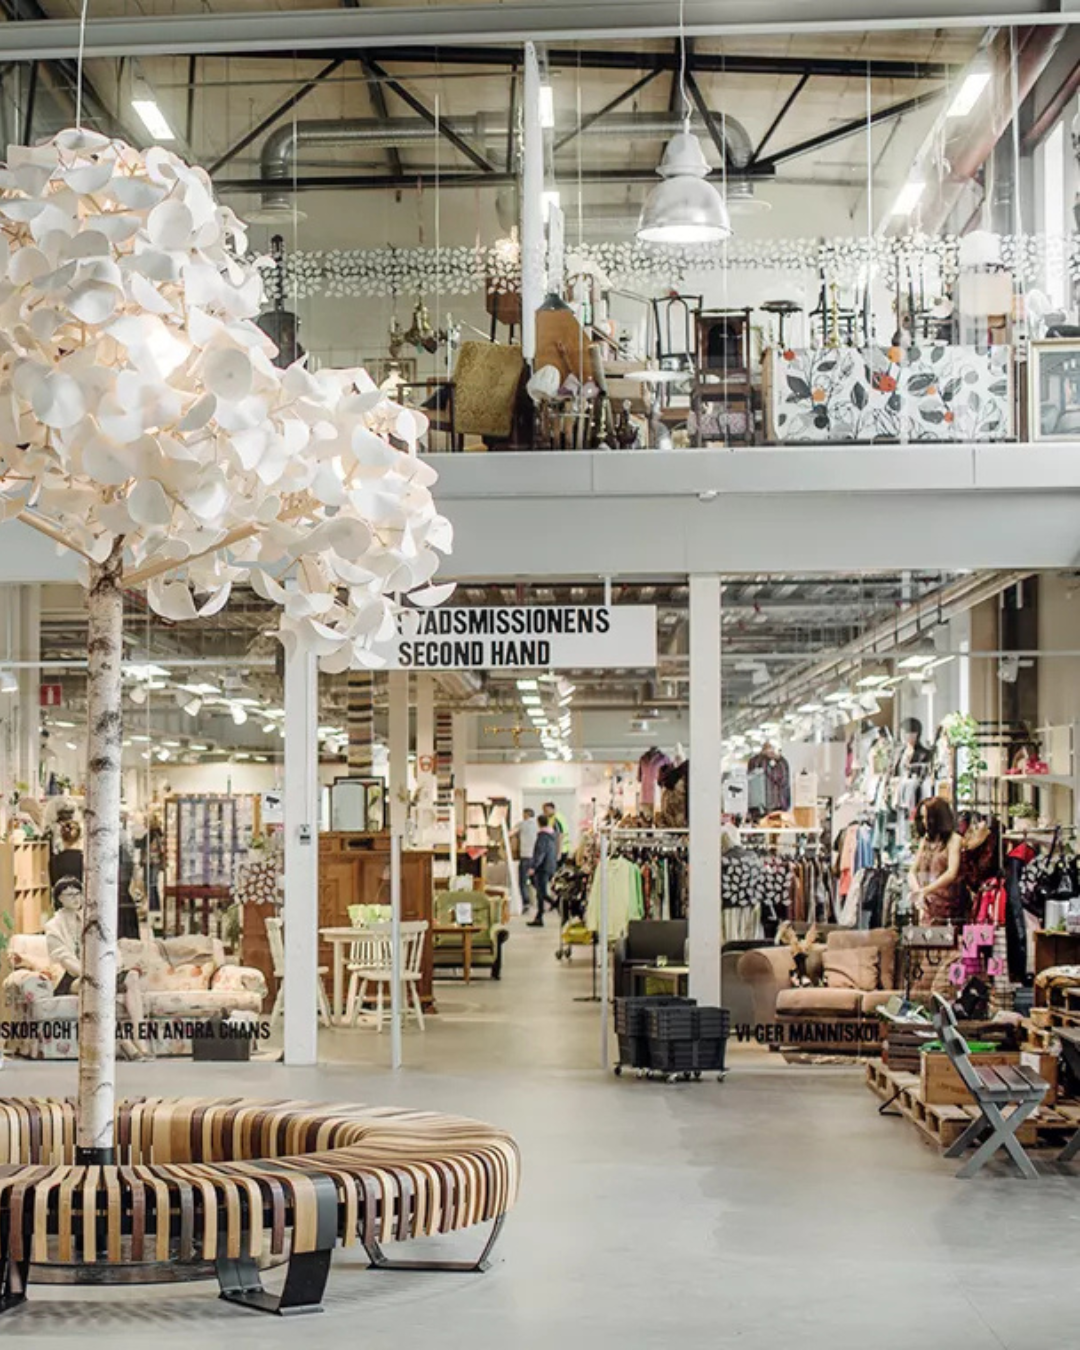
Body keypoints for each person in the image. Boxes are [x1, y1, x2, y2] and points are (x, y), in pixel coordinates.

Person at [909, 796, 964, 925]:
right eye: (922, 818)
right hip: (926, 906)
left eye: (928, 818)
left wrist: (925, 890)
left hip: (948, 908)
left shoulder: (954, 840)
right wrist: (918, 891)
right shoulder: (926, 840)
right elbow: (912, 871)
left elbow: (951, 873)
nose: (925, 822)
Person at [527, 814, 559, 927]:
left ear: (539, 823)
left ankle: (552, 906)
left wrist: (533, 867)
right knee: (541, 892)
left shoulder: (543, 837)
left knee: (541, 893)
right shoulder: (552, 835)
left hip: (542, 868)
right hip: (550, 866)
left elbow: (540, 853)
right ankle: (541, 914)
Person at [510, 808, 538, 911]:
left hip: (525, 855)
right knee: (535, 880)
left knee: (523, 881)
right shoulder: (536, 826)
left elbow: (510, 833)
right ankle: (541, 900)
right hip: (535, 856)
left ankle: (526, 903)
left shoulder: (522, 824)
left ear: (526, 814)